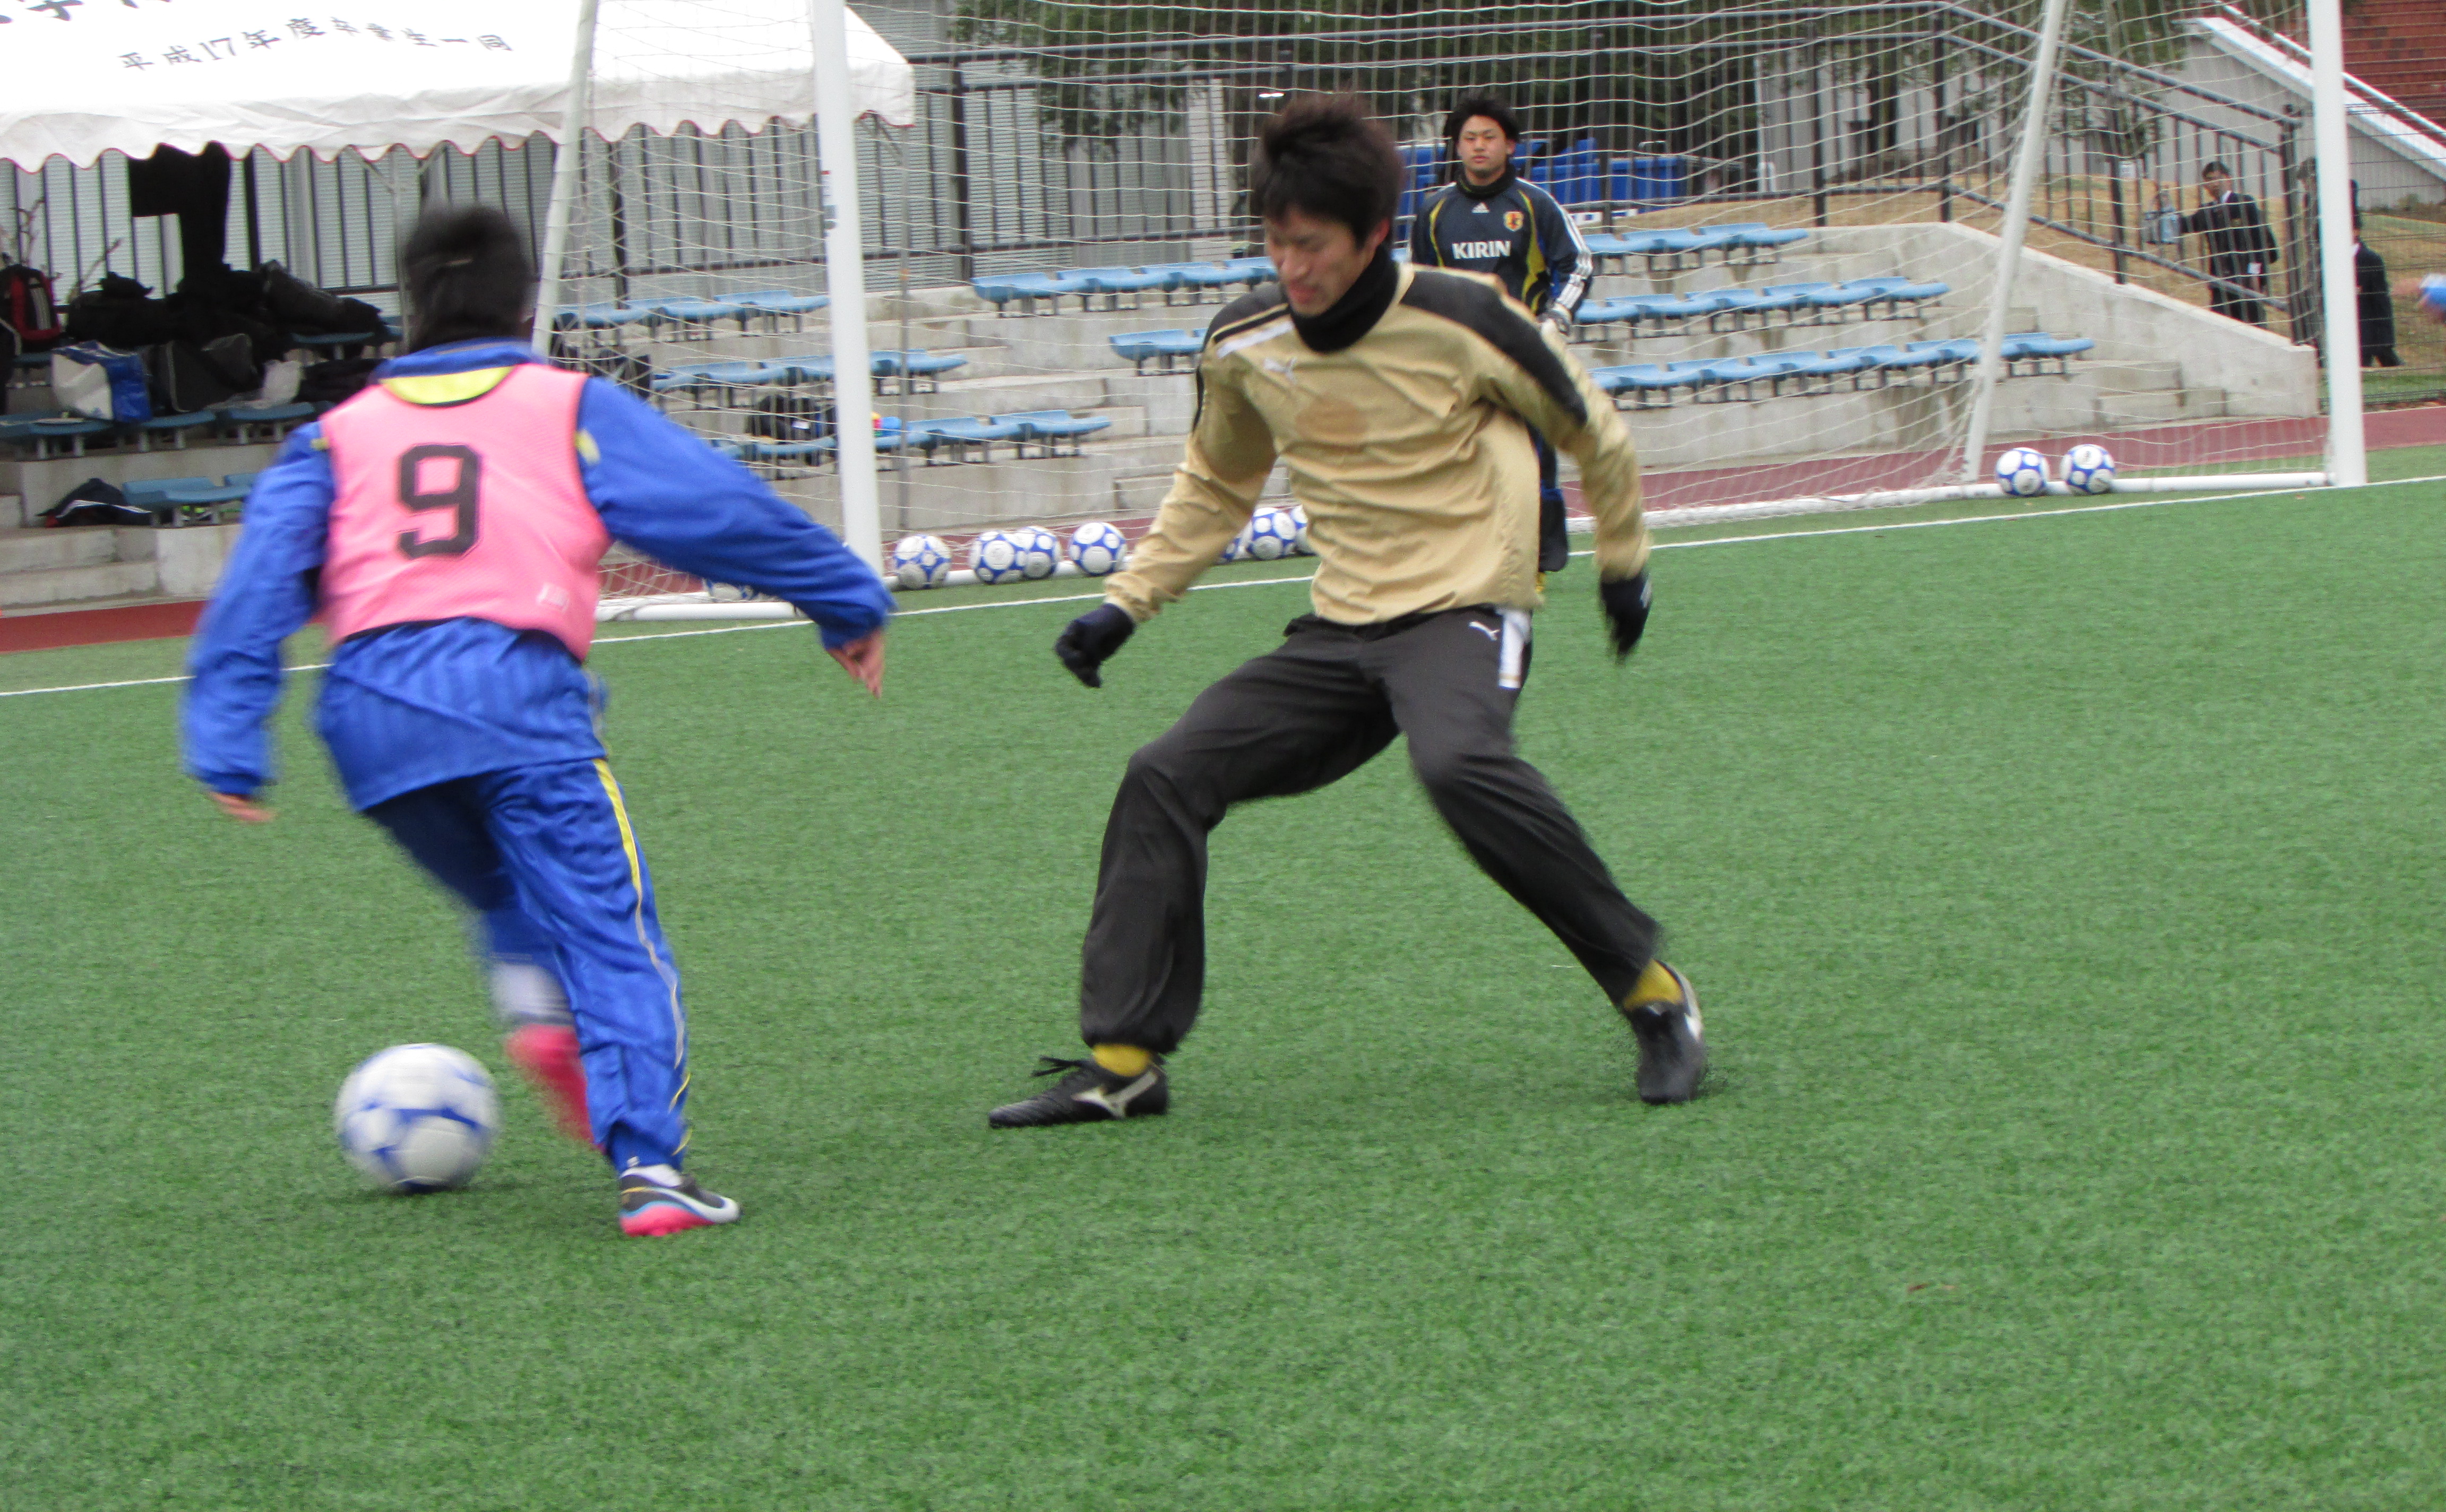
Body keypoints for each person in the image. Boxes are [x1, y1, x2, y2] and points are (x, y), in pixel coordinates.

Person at [989, 96, 1704, 1129]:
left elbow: (1595, 434)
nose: (1292, 266)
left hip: (1463, 605)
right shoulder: (1244, 343)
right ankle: (1125, 1063)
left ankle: (1651, 992)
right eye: (1276, 242)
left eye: (1313, 245)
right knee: (1163, 775)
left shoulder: (1466, 320)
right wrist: (1126, 606)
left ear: (1373, 235)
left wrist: (1623, 567)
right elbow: (1216, 485)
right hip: (1341, 630)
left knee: (1458, 765)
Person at [183, 205, 894, 1237]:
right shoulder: (567, 405)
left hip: (369, 718)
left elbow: (257, 586)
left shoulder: (332, 436)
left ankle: (537, 1011)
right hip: (513, 699)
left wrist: (227, 740)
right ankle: (651, 1168)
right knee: (608, 931)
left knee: (504, 893)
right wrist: (844, 600)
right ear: (525, 307)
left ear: (410, 305)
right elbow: (715, 508)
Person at [1409, 94, 1595, 576]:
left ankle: (1544, 550)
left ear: (1510, 145)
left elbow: (1579, 264)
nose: (1479, 146)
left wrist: (1556, 320)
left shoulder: (1535, 204)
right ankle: (1469, 550)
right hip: (1461, 358)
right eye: (1469, 138)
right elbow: (1421, 284)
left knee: (1533, 451)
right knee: (1462, 453)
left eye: (1489, 137)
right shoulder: (1434, 212)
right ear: (1457, 146)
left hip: (1524, 352)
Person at [2177, 161, 2279, 326]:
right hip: (2221, 283)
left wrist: (2254, 274)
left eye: (2218, 179)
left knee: (2252, 328)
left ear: (2228, 179)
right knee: (2220, 329)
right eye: (2209, 180)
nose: (2214, 184)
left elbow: (2260, 242)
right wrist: (2167, 217)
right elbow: (2186, 225)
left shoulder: (2244, 203)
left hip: (2246, 282)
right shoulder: (2208, 211)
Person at [2353, 213, 2402, 368]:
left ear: (2356, 231)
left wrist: (2385, 339)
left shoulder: (2370, 260)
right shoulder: (2327, 258)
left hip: (2365, 335)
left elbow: (2381, 301)